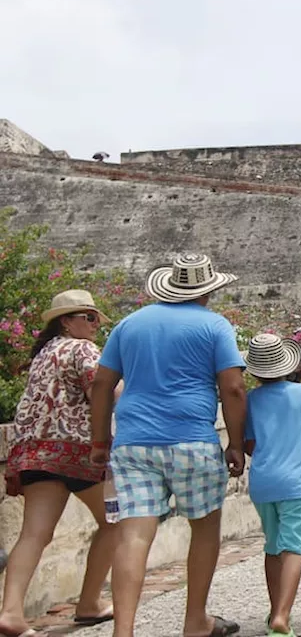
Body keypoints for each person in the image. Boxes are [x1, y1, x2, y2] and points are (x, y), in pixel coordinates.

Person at [89, 254, 246, 637]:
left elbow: (101, 385)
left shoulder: (129, 325)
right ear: (208, 291)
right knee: (205, 529)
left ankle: (123, 631)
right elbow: (234, 388)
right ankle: (195, 620)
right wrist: (236, 444)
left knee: (133, 535)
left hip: (133, 445)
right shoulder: (214, 326)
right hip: (192, 441)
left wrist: (98, 441)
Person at [1, 291, 116, 637]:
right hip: (78, 451)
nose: (96, 325)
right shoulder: (81, 349)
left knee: (34, 534)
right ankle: (90, 602)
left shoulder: (43, 355)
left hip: (33, 452)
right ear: (66, 321)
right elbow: (103, 386)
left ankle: (10, 612)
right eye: (89, 317)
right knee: (117, 520)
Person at [242, 334, 301, 637]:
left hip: (262, 482)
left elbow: (250, 445)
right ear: (287, 364)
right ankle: (282, 615)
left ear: (254, 371)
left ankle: (274, 608)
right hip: (294, 482)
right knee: (293, 547)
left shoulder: (251, 399)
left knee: (272, 545)